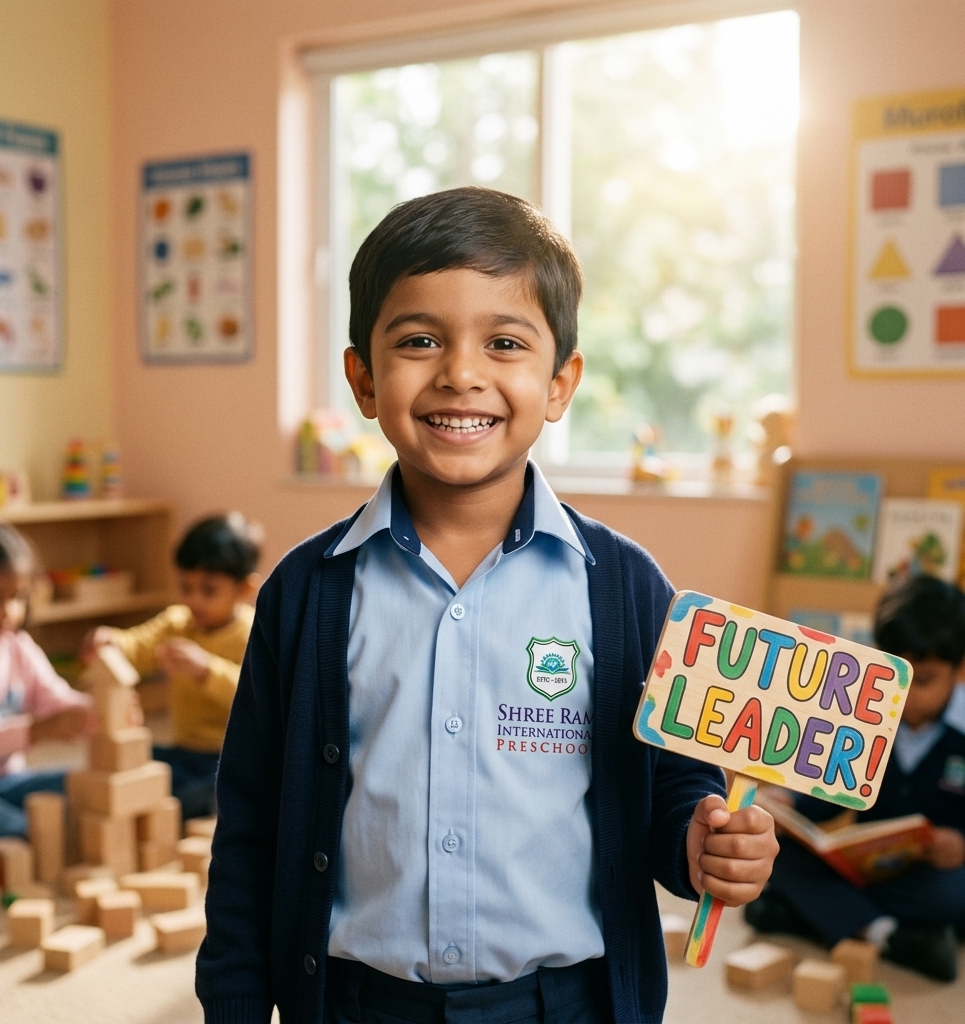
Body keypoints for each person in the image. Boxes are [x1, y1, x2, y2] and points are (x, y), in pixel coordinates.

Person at [196, 187, 778, 1024]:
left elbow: (670, 784)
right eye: (420, 340)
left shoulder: (627, 589)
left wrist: (702, 842)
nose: (460, 373)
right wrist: (238, 1002)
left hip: (565, 1003)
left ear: (560, 382)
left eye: (504, 343)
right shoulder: (303, 592)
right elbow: (249, 826)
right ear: (362, 376)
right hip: (358, 1003)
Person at [746, 575, 965, 981]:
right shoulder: (866, 719)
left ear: (958, 670)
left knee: (955, 892)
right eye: (899, 676)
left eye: (926, 680)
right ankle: (891, 935)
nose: (910, 696)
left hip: (931, 875)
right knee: (776, 854)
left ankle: (813, 915)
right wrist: (790, 803)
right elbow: (828, 796)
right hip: (861, 868)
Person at [81, 513, 260, 819]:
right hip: (182, 753)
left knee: (204, 796)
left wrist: (207, 670)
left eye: (208, 590)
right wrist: (111, 640)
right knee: (130, 770)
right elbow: (138, 645)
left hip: (231, 761)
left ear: (244, 589)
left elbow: (257, 697)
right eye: (186, 587)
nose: (193, 600)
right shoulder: (177, 623)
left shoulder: (253, 633)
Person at [0, 524, 93, 852]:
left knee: (80, 780)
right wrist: (36, 732)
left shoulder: (18, 647)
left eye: (18, 598)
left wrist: (97, 713)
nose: (10, 612)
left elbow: (56, 698)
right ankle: (36, 835)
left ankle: (21, 835)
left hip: (11, 782)